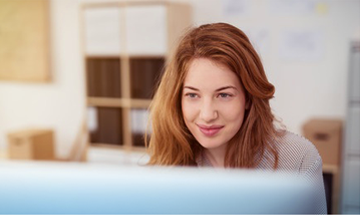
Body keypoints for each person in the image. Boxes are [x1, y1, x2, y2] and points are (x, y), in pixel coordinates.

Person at [145, 22, 327, 213]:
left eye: (224, 95)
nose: (207, 115)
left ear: (248, 97)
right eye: (192, 95)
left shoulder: (297, 159)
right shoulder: (168, 165)